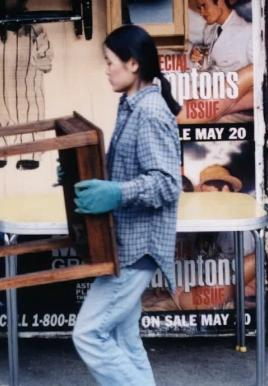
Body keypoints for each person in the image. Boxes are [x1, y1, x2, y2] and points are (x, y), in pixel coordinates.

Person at [70, 24, 182, 385]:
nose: (106, 69)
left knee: (88, 334)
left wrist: (116, 193)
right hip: (126, 244)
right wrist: (80, 173)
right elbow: (125, 166)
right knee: (123, 336)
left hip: (137, 248)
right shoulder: (132, 105)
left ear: (133, 64)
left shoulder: (150, 112)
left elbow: (167, 183)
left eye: (109, 61)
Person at [188, 0, 252, 74]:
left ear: (221, 2)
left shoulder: (248, 31)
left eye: (204, 6)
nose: (202, 13)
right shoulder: (209, 29)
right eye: (199, 8)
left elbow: (258, 74)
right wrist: (201, 60)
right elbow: (211, 65)